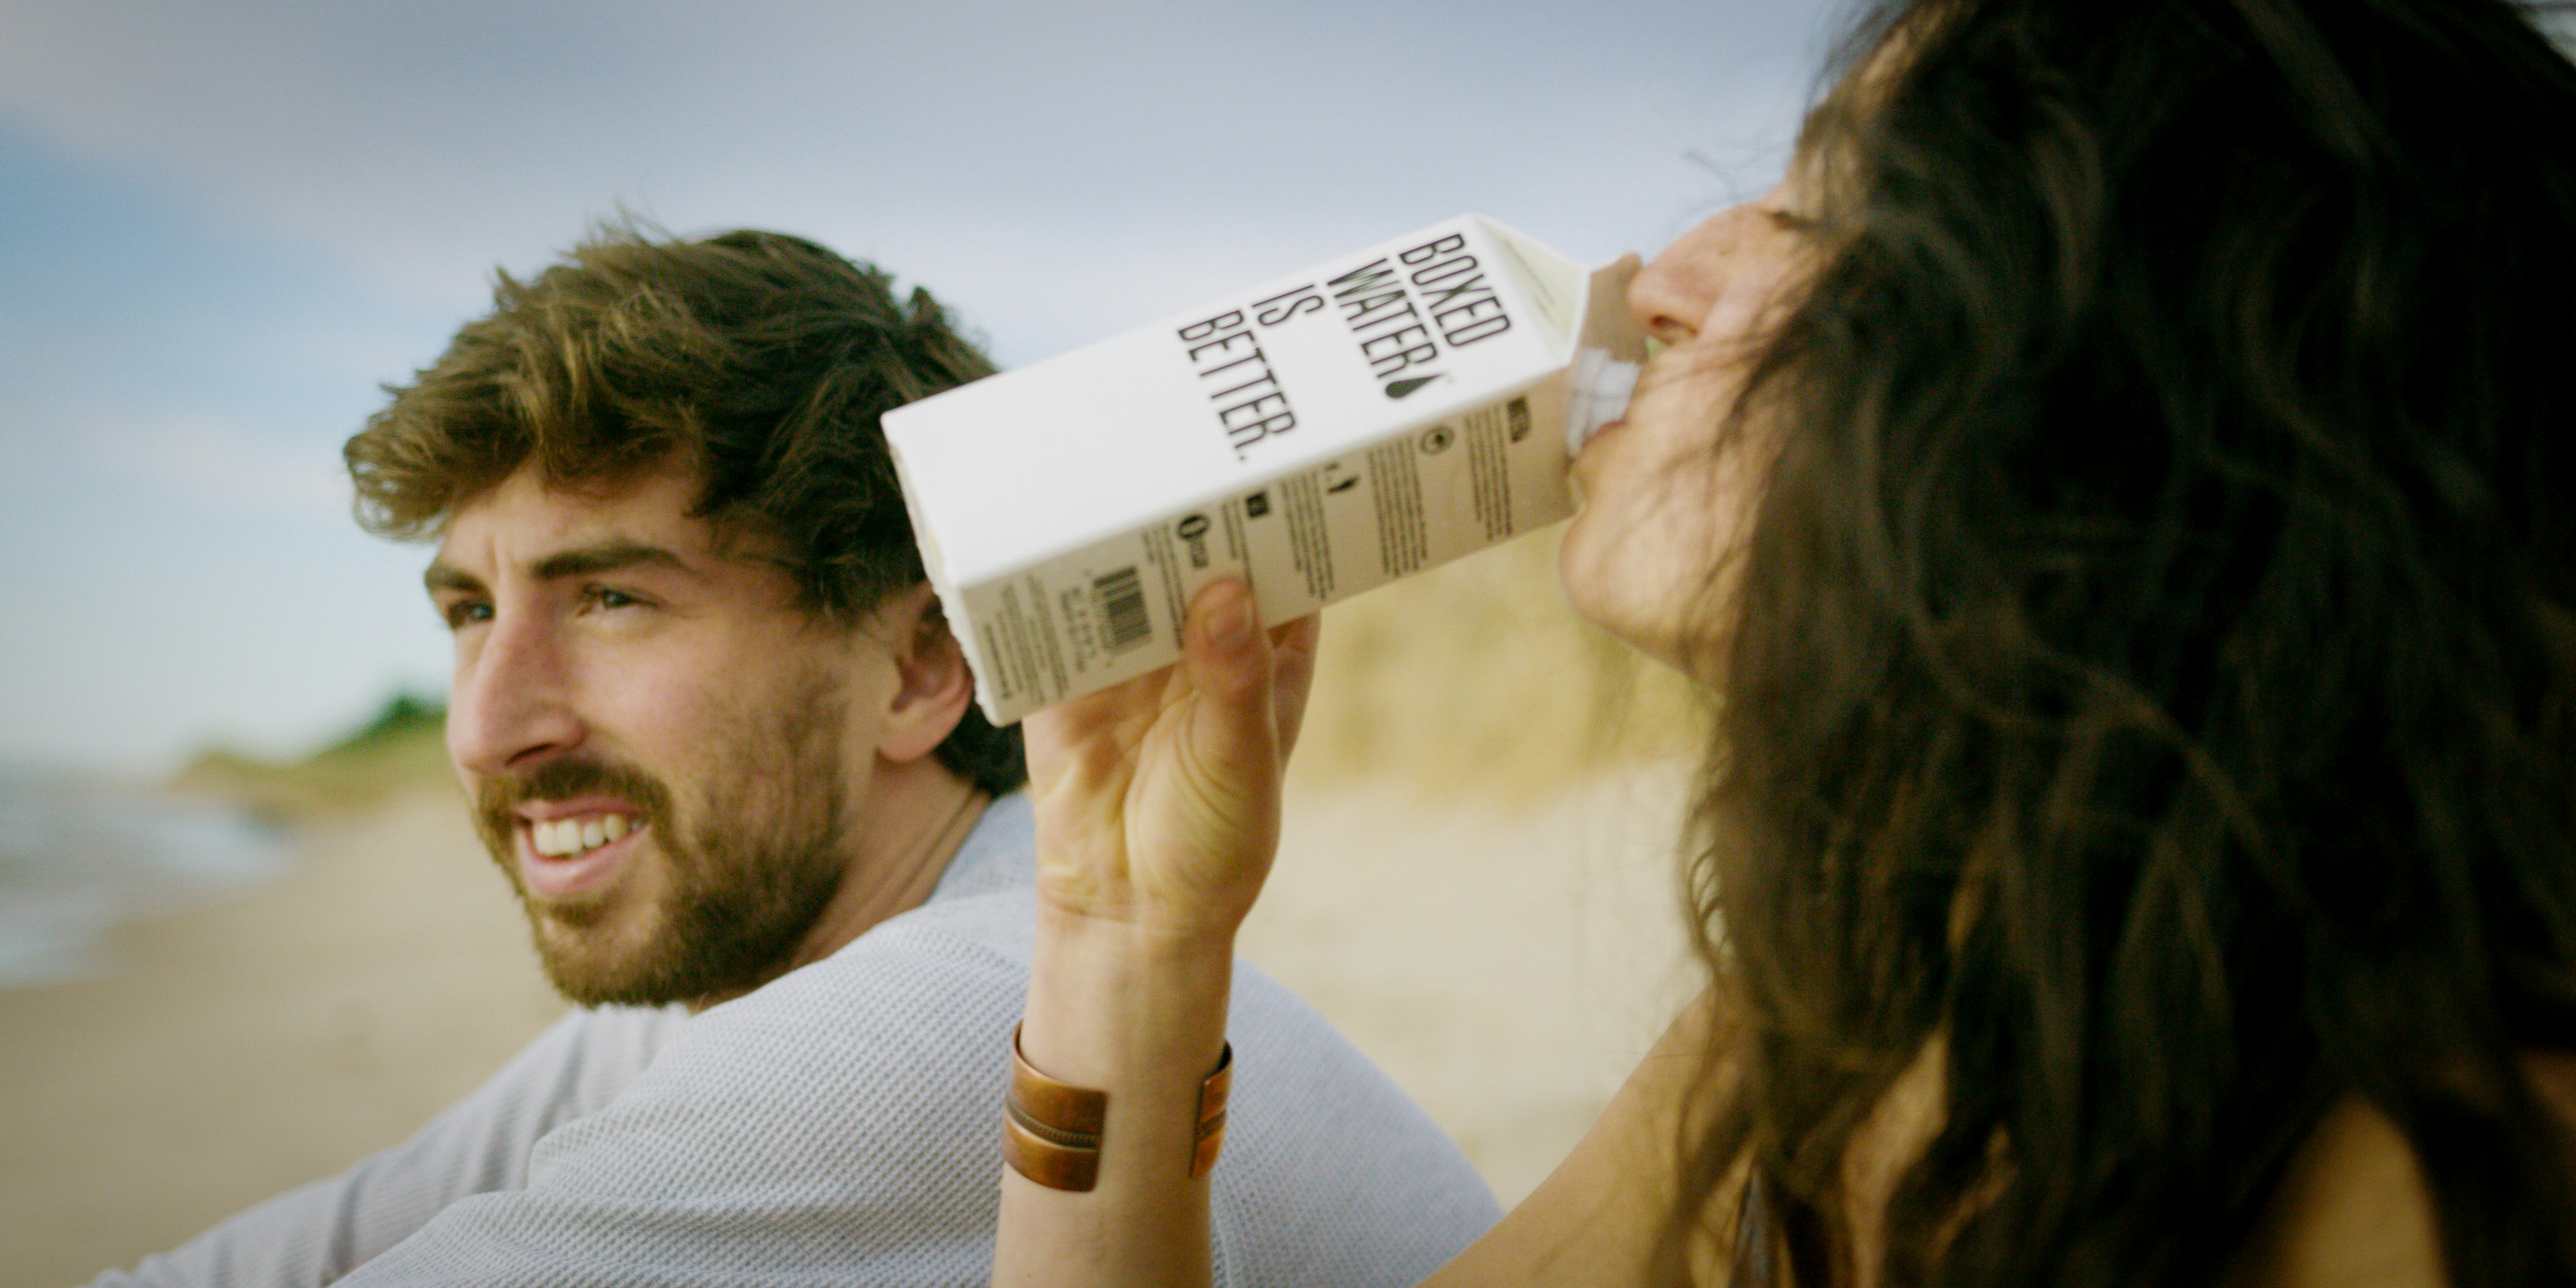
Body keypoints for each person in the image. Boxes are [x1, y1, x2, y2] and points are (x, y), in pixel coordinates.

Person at [990, 0, 2576, 1284]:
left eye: (1832, 213)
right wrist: (1128, 934)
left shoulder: (2448, 1193)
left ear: (2129, 387)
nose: (1664, 277)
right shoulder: (1824, 1034)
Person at [91, 225, 1499, 1288]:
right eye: (471, 611)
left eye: (611, 598)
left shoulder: (950, 1016)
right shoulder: (732, 989)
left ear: (919, 668)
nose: (487, 724)